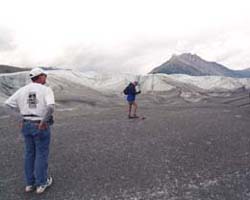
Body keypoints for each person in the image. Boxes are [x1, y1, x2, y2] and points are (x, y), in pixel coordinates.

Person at [4, 67, 55, 194]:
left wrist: (20, 119)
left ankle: (29, 183)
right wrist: (43, 122)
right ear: (39, 77)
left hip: (26, 124)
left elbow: (6, 105)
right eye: (44, 75)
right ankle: (41, 183)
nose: (46, 77)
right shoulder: (46, 90)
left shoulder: (23, 90)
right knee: (41, 154)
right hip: (39, 125)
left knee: (29, 154)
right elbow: (50, 107)